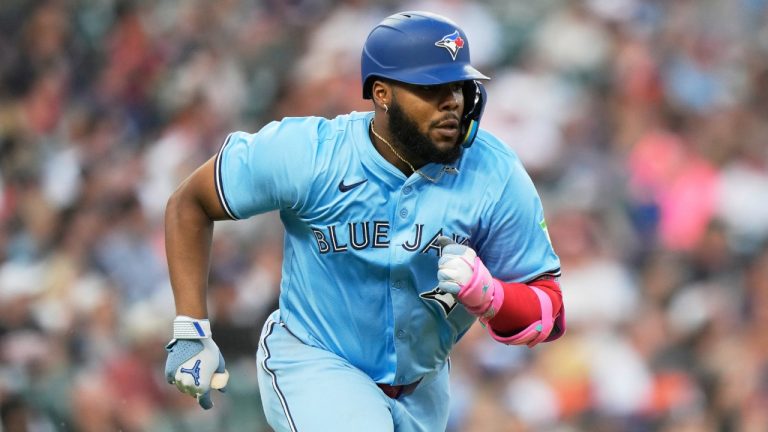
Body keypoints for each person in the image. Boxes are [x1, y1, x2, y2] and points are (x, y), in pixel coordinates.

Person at [163, 10, 565, 432]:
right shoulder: (310, 154)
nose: (452, 102)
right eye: (431, 88)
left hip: (423, 387)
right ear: (382, 93)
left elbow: (550, 312)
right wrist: (190, 328)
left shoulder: (494, 173)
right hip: (315, 361)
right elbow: (189, 202)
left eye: (459, 87)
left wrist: (492, 296)